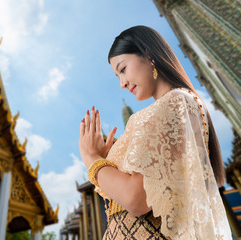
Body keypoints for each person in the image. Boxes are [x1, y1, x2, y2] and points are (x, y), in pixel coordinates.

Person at [78, 26, 232, 240]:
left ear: (149, 56)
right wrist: (109, 163)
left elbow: (136, 199)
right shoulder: (178, 104)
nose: (122, 83)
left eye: (122, 69)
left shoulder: (174, 102)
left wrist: (91, 158)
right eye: (117, 76)